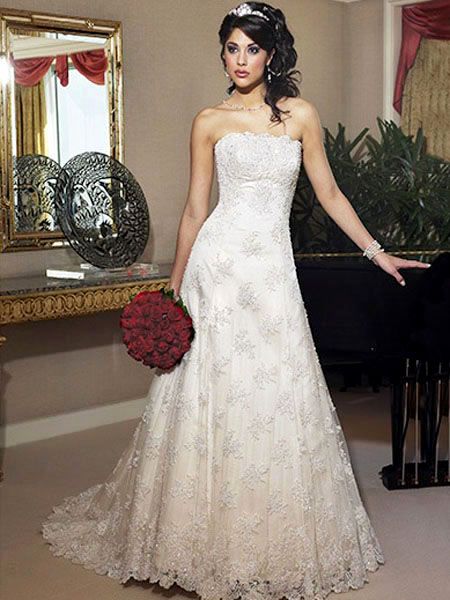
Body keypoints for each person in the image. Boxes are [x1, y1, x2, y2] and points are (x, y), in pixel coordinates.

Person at [41, 3, 431, 599]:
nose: (241, 59)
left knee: (275, 389)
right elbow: (196, 210)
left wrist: (378, 253)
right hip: (217, 270)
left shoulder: (300, 115)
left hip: (271, 274)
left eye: (252, 48)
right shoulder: (209, 121)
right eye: (232, 48)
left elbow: (329, 193)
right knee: (210, 389)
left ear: (271, 54)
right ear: (222, 53)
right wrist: (174, 287)